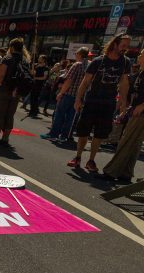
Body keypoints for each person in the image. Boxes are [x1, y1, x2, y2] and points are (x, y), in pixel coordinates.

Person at [68, 33, 131, 172]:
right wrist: (78, 99)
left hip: (108, 104)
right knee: (84, 131)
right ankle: (78, 157)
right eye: (124, 45)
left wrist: (123, 104)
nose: (126, 48)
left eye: (127, 46)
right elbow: (85, 82)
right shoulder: (98, 61)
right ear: (115, 44)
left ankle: (91, 160)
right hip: (91, 101)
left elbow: (124, 84)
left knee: (100, 134)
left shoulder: (125, 62)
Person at [102, 49, 144, 183]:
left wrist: (142, 106)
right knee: (134, 143)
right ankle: (126, 173)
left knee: (126, 140)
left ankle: (111, 171)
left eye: (141, 55)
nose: (139, 56)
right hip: (136, 109)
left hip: (141, 112)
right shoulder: (141, 72)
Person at [0, 38, 31, 146]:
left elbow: (0, 75)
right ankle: (5, 139)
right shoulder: (25, 60)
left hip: (4, 89)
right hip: (17, 92)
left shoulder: (7, 58)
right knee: (10, 115)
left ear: (12, 47)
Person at [41, 48, 89, 142]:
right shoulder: (89, 65)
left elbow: (69, 80)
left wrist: (61, 93)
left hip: (69, 94)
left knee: (59, 114)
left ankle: (53, 134)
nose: (75, 54)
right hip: (79, 96)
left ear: (80, 54)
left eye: (76, 53)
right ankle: (64, 136)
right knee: (70, 118)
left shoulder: (77, 65)